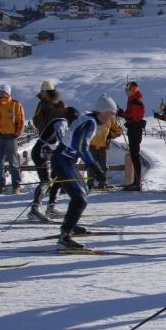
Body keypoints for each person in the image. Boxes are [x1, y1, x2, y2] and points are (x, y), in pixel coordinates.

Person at [53, 96, 115, 250]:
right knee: (80, 199)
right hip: (62, 160)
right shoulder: (91, 122)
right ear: (103, 112)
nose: (112, 117)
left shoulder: (88, 117)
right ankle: (64, 237)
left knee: (83, 192)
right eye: (111, 114)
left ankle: (70, 225)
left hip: (66, 160)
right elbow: (81, 147)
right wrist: (94, 166)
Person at [29, 107, 80, 222]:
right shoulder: (62, 122)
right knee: (46, 181)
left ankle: (51, 207)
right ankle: (35, 208)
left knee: (57, 177)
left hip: (46, 152)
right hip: (40, 152)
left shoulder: (64, 123)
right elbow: (61, 137)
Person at [0, 84, 25, 194]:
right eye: (0, 92)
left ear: (8, 93)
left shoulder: (15, 105)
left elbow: (21, 120)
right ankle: (1, 184)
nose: (1, 94)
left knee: (13, 161)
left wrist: (17, 133)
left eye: (4, 92)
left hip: (11, 136)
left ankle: (16, 184)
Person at [117, 81, 145, 191]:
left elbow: (132, 116)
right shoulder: (132, 101)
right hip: (133, 129)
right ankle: (135, 182)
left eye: (128, 90)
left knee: (135, 155)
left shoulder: (136, 102)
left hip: (135, 129)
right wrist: (122, 113)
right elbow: (130, 115)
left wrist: (121, 113)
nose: (126, 92)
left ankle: (137, 183)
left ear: (133, 90)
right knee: (134, 155)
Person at [88, 114, 121, 189]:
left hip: (103, 146)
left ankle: (102, 183)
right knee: (92, 166)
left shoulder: (110, 118)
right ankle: (90, 183)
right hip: (92, 145)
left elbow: (118, 130)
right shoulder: (93, 116)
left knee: (103, 166)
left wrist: (112, 135)